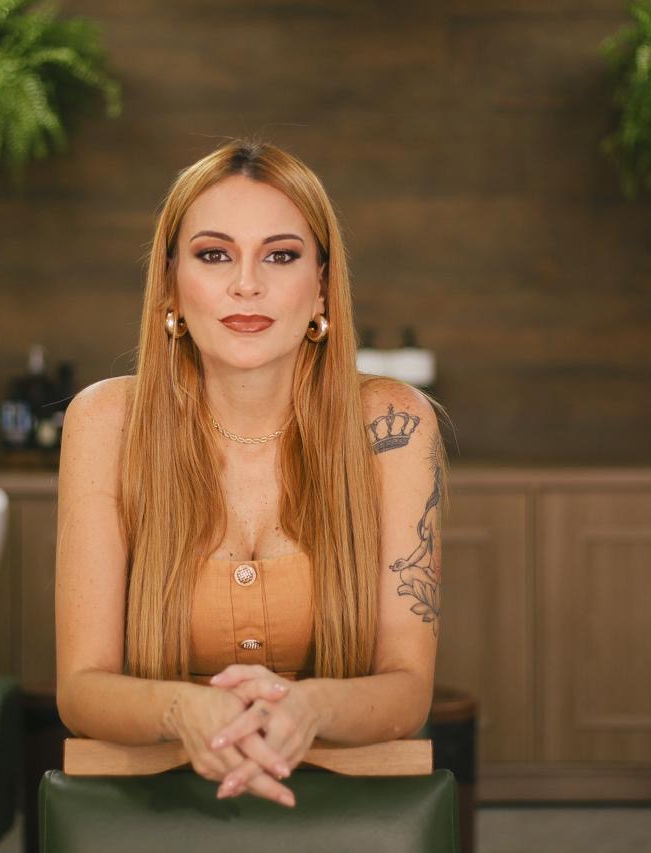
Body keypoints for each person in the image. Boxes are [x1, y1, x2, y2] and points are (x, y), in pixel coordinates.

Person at [55, 138, 450, 808]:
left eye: (281, 255)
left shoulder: (395, 424)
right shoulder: (104, 422)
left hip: (344, 810)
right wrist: (185, 712)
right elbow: (81, 687)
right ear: (170, 285)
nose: (246, 284)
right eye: (214, 254)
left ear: (322, 285)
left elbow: (408, 687)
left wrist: (309, 709)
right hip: (153, 809)